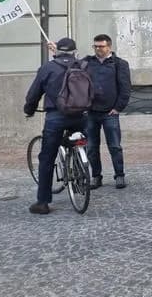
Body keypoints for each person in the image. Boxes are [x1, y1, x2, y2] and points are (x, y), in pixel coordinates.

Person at [24, 38, 88, 214]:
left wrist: (29, 109)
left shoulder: (47, 68)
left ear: (57, 51)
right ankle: (82, 177)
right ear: (75, 51)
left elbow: (33, 94)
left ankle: (42, 202)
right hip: (81, 116)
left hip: (56, 117)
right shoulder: (83, 65)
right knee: (78, 142)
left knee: (47, 158)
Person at [83, 33, 131, 190]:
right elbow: (70, 65)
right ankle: (96, 176)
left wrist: (117, 108)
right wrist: (56, 52)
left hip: (110, 113)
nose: (98, 49)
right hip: (91, 112)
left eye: (101, 46)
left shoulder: (119, 64)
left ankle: (119, 175)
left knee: (115, 146)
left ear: (109, 46)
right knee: (91, 147)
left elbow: (125, 89)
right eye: (95, 46)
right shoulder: (87, 63)